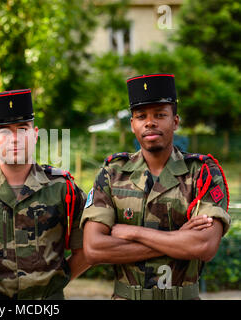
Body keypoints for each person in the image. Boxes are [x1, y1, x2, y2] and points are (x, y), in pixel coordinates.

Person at [81, 74, 231, 300]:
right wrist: (179, 239)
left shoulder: (202, 173)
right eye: (141, 116)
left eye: (160, 115)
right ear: (132, 124)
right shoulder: (112, 174)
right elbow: (94, 249)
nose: (150, 122)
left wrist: (133, 232)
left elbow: (205, 245)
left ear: (175, 121)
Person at [0, 89, 90, 300]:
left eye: (22, 129)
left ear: (34, 134)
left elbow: (86, 250)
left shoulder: (63, 189)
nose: (14, 139)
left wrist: (52, 285)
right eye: (4, 131)